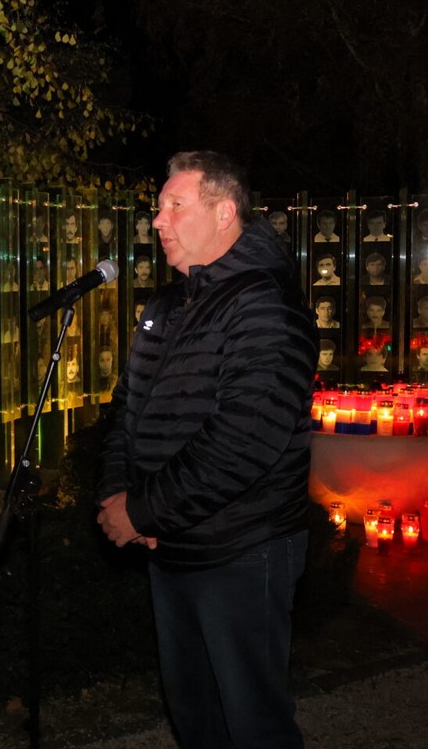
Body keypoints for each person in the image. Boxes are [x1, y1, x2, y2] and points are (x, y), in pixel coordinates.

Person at [97, 151, 316, 748]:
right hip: (171, 545)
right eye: (157, 207)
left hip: (241, 548)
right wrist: (121, 496)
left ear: (224, 213)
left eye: (176, 205)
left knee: (252, 722)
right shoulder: (168, 305)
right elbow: (127, 410)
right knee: (195, 716)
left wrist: (143, 511)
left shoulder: (267, 304)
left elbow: (244, 440)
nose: (157, 221)